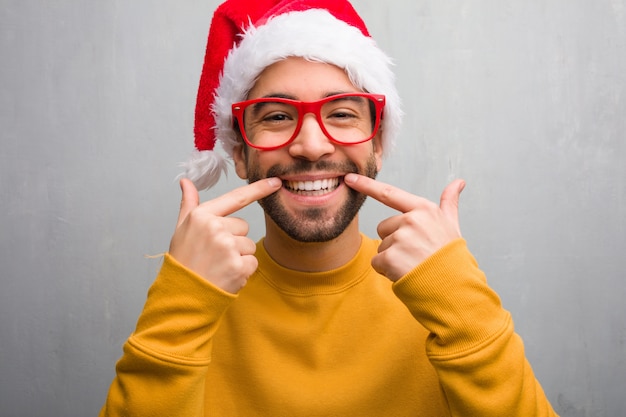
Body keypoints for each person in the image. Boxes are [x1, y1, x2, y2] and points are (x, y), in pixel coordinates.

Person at [100, 0, 559, 415]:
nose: (312, 146)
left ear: (377, 143)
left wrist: (461, 301)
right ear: (240, 153)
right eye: (278, 116)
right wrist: (181, 303)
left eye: (341, 113)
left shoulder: (443, 295)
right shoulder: (192, 301)